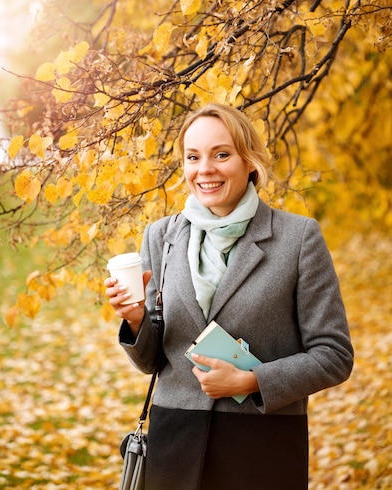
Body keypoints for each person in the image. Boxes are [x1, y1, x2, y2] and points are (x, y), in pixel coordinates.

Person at [105, 103, 353, 490]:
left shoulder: (298, 238)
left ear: (249, 161)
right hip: (174, 444)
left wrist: (251, 380)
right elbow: (154, 360)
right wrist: (136, 319)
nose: (205, 169)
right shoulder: (161, 238)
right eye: (193, 157)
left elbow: (334, 356)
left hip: (262, 448)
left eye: (221, 154)